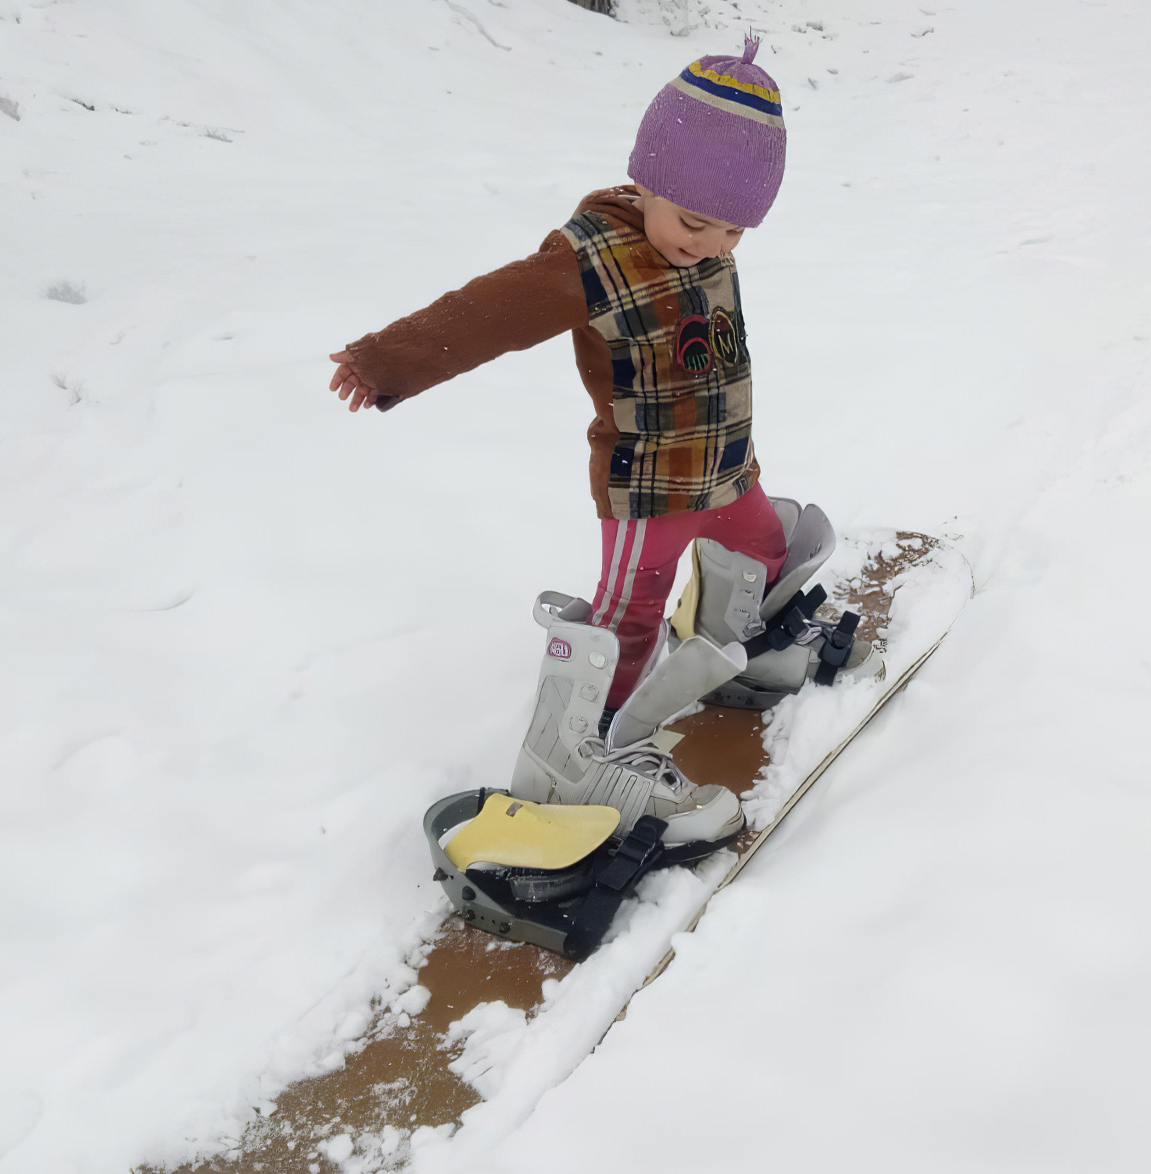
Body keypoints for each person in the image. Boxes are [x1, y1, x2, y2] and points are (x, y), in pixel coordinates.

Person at [326, 37, 871, 855]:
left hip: (728, 472)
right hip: (647, 492)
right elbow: (487, 313)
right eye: (693, 221)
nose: (711, 243)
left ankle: (747, 658)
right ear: (646, 179)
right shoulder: (589, 260)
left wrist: (709, 237)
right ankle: (585, 748)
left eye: (734, 230)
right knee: (629, 618)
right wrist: (383, 362)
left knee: (758, 555)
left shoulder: (705, 239)